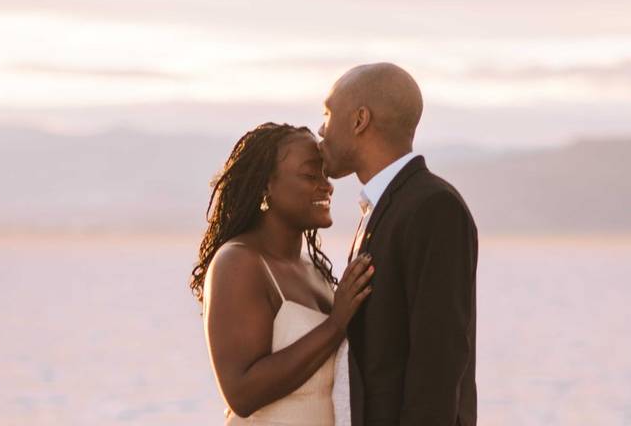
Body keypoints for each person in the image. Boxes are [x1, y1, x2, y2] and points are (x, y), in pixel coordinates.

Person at [318, 63, 478, 426]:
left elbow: (439, 356)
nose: (321, 129)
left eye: (328, 113)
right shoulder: (383, 207)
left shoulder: (434, 206)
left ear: (360, 119)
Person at [191, 122, 372, 424]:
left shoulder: (314, 270)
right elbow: (241, 393)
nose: (326, 185)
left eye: (325, 174)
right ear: (266, 186)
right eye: (309, 175)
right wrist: (336, 325)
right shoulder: (238, 263)